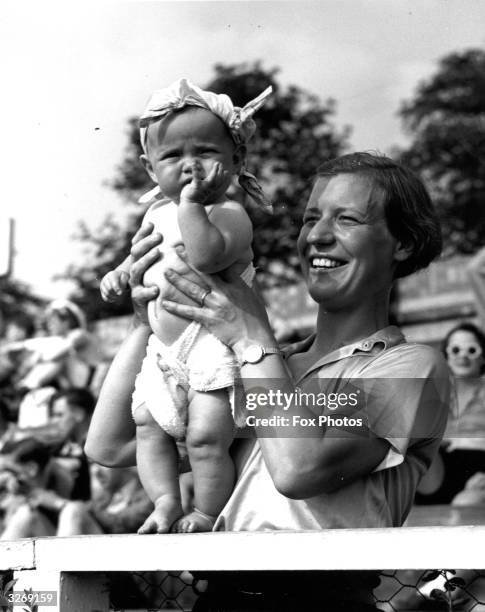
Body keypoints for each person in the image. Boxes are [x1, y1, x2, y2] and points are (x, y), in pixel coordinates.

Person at [87, 152, 451, 611]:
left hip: (324, 605)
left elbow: (299, 470)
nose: (316, 236)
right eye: (311, 218)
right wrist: (146, 323)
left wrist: (253, 338)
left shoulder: (418, 369)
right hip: (219, 600)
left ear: (404, 242)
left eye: (347, 220)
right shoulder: (260, 364)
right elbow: (110, 444)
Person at [99, 78, 272, 534]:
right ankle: (163, 502)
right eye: (173, 156)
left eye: (206, 152)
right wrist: (118, 275)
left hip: (212, 342)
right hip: (163, 348)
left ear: (236, 159)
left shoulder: (229, 213)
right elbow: (139, 259)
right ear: (150, 168)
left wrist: (193, 204)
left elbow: (207, 255)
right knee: (147, 427)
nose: (190, 166)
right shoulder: (154, 215)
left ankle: (207, 511)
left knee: (204, 438)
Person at [416, 322, 485, 505]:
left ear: (483, 357)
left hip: (478, 471)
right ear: (446, 356)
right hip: (439, 469)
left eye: (471, 350)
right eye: (455, 350)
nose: (463, 356)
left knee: (466, 503)